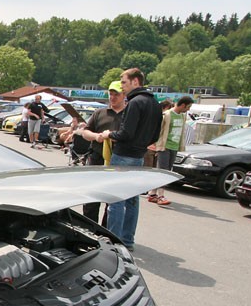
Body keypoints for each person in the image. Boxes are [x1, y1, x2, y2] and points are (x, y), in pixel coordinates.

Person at [98, 68, 163, 249]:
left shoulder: (135, 103)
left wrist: (109, 134)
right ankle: (127, 240)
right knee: (132, 200)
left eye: (124, 82)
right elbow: (155, 136)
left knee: (116, 200)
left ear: (135, 81)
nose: (122, 86)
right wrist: (141, 145)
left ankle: (114, 241)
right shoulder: (155, 104)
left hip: (124, 154)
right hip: (139, 156)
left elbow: (126, 133)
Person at [79, 81, 127, 223]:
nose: (112, 97)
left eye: (116, 94)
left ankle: (106, 230)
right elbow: (85, 132)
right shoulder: (100, 113)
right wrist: (96, 136)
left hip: (118, 161)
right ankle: (89, 227)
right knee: (91, 198)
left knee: (111, 200)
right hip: (97, 158)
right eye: (110, 94)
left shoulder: (128, 115)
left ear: (124, 95)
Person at [147, 95, 193, 206]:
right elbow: (158, 130)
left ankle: (152, 193)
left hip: (174, 147)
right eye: (188, 107)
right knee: (164, 172)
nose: (188, 110)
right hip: (165, 146)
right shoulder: (167, 115)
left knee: (166, 170)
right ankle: (161, 196)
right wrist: (155, 145)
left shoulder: (182, 116)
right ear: (183, 105)